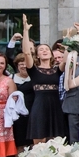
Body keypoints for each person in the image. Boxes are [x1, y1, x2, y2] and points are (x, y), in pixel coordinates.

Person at [22, 14, 68, 142]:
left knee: (56, 142)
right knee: (39, 141)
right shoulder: (33, 69)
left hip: (55, 106)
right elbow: (26, 52)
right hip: (39, 105)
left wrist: (68, 41)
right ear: (37, 54)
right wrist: (25, 31)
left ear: (51, 53)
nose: (44, 51)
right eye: (41, 49)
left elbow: (66, 58)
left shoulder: (57, 69)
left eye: (46, 49)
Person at [10, 53, 34, 150]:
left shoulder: (35, 78)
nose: (24, 66)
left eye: (26, 63)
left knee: (33, 141)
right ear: (17, 65)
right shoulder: (11, 78)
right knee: (19, 142)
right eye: (21, 64)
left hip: (33, 112)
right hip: (17, 115)